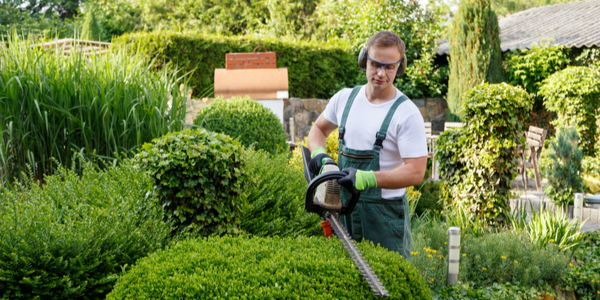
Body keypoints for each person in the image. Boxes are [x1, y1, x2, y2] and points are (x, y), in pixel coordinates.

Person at [307, 31, 427, 260]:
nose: (381, 73)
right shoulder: (344, 99)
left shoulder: (406, 113)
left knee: (389, 287)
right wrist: (320, 155)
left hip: (384, 218)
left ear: (399, 68)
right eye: (375, 64)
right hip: (343, 211)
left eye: (389, 67)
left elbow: (416, 172)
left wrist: (367, 178)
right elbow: (318, 130)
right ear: (365, 61)